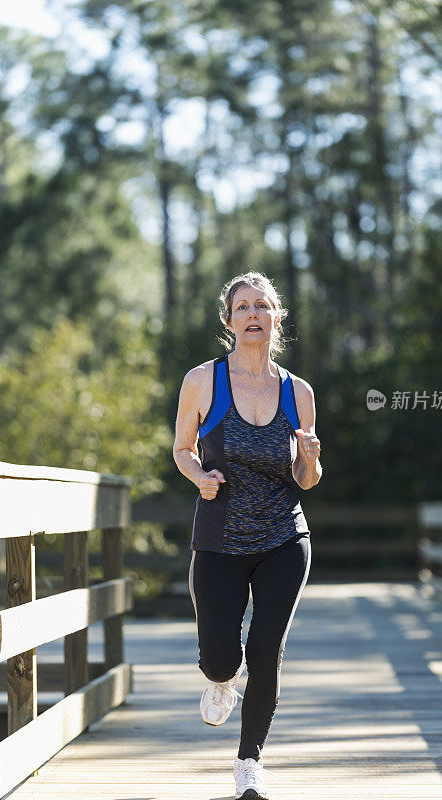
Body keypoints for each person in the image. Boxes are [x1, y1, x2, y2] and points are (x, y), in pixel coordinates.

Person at [173, 271, 322, 800]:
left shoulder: (296, 392)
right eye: (243, 307)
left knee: (265, 651)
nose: (253, 314)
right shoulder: (203, 381)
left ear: (277, 317)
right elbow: (182, 449)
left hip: (284, 538)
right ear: (230, 320)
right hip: (218, 540)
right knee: (222, 658)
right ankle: (218, 680)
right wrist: (199, 476)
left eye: (263, 306)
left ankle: (249, 763)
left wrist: (310, 462)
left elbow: (306, 480)